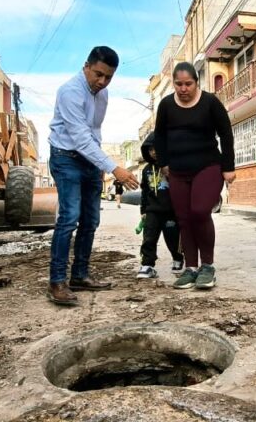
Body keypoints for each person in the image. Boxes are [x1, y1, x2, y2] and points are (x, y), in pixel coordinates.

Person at [47, 46, 139, 306]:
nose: (102, 81)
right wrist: (113, 168)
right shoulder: (69, 91)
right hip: (65, 156)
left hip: (89, 159)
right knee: (69, 218)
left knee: (91, 220)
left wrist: (98, 164)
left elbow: (94, 131)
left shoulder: (103, 94)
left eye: (108, 77)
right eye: (98, 74)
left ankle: (80, 275)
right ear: (86, 66)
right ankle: (56, 282)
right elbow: (79, 138)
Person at [153, 62, 234, 290]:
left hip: (208, 166)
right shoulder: (166, 105)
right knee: (184, 218)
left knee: (199, 211)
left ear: (196, 82)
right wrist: (163, 163)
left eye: (188, 84)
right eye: (178, 84)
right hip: (178, 170)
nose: (183, 89)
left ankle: (207, 266)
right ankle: (190, 268)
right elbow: (159, 136)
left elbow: (226, 134)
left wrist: (228, 167)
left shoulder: (210, 102)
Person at [136, 132, 185, 279]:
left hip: (171, 211)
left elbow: (182, 187)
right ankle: (147, 265)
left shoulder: (174, 166)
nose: (154, 152)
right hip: (152, 211)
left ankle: (178, 258)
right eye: (150, 149)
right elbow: (145, 191)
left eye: (157, 148)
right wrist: (143, 210)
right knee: (149, 237)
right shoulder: (146, 170)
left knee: (173, 238)